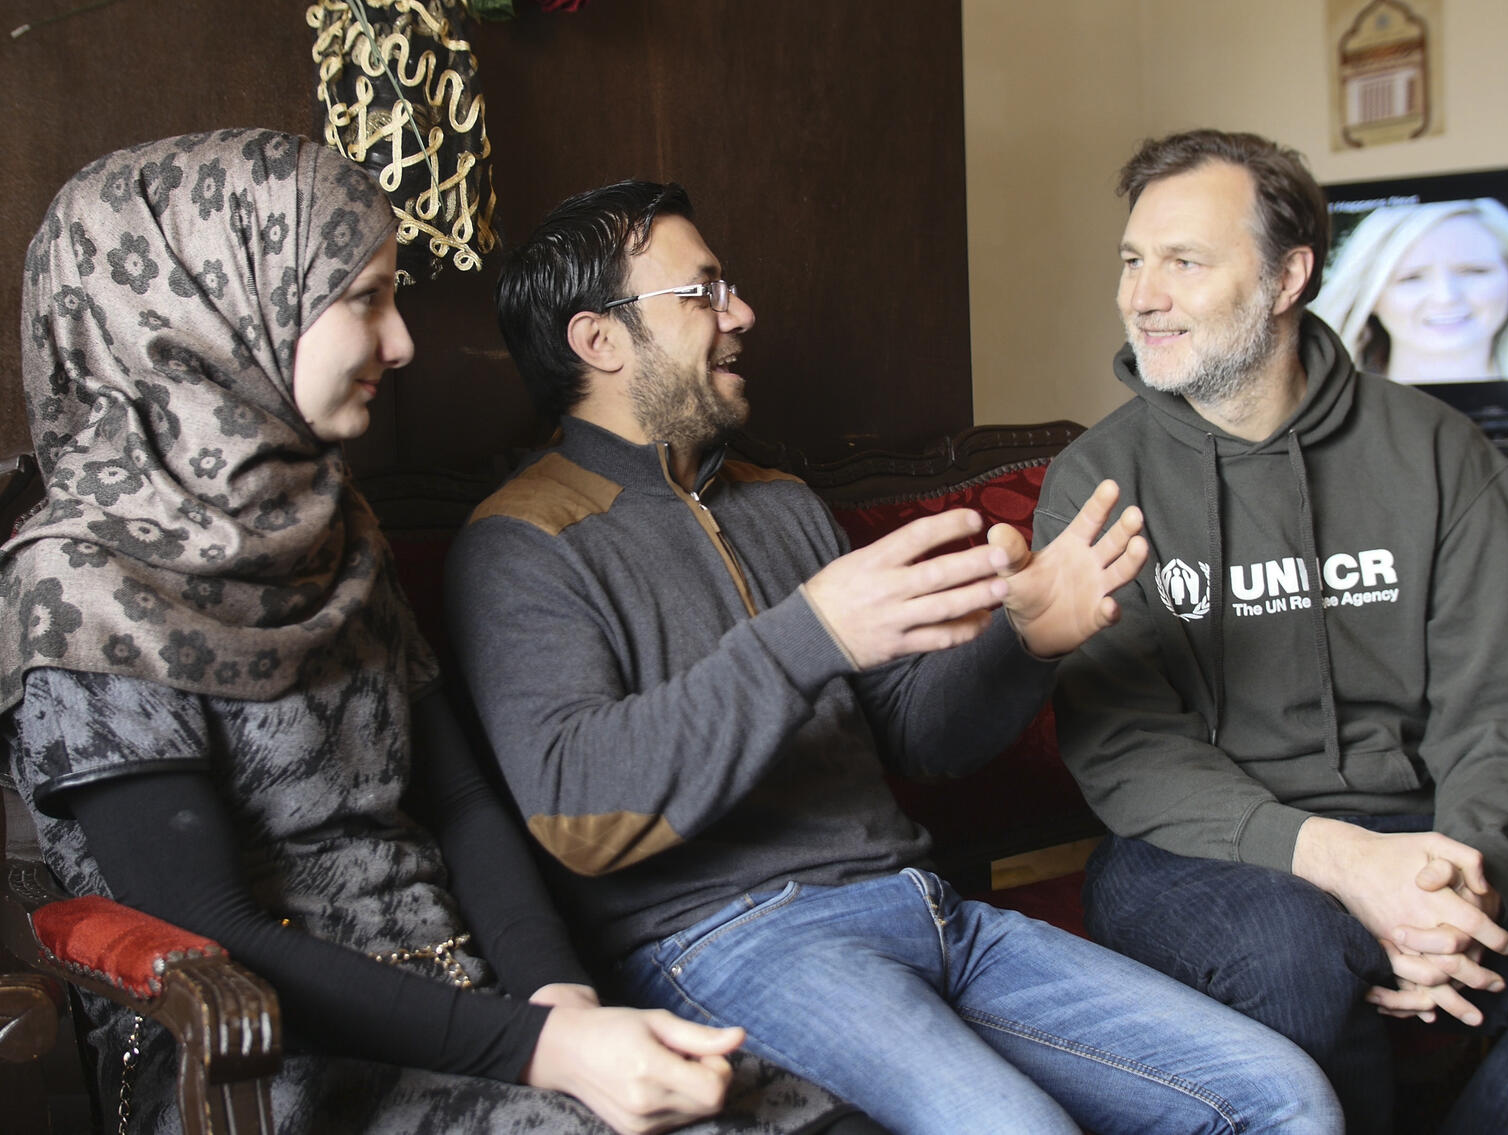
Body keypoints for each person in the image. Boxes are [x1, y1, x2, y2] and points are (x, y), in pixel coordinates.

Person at [0, 129, 869, 1135]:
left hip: (469, 997)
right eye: (363, 299)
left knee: (810, 1119)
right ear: (216, 307)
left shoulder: (332, 527)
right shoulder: (79, 580)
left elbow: (457, 798)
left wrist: (559, 997)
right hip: (260, 1051)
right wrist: (547, 1052)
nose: (403, 341)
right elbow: (206, 928)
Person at [444, 178, 1344, 1135]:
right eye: (704, 293)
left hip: (925, 908)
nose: (741, 313)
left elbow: (916, 735)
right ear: (600, 341)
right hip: (729, 942)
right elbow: (580, 806)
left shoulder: (779, 502)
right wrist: (809, 633)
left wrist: (1024, 638)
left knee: (1284, 1097)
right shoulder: (520, 543)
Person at [1034, 128, 1508, 1134]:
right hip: (1191, 850)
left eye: (1183, 261)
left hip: (1420, 831)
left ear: (1289, 274)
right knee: (1294, 952)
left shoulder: (1438, 452)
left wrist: (1460, 883)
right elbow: (1123, 743)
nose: (1139, 295)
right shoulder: (1098, 481)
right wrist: (1337, 860)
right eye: (1132, 260)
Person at [1312, 197, 1508, 383]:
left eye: (1474, 271)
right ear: (1372, 298)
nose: (1446, 297)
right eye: (1411, 278)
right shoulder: (1333, 410)